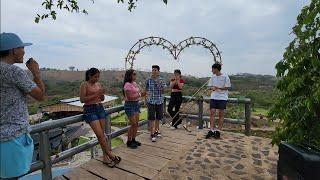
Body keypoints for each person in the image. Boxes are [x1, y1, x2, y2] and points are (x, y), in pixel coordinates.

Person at [0, 33, 45, 179]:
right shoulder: (13, 71)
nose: (24, 51)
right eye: (22, 48)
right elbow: (40, 96)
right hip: (11, 138)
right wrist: (36, 73)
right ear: (13, 50)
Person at [80, 68, 121, 167]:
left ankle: (105, 158)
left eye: (98, 77)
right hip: (90, 109)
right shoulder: (84, 84)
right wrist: (97, 94)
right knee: (99, 134)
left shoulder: (98, 84)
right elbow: (82, 99)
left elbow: (101, 99)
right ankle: (110, 154)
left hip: (100, 108)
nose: (97, 79)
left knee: (102, 135)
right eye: (95, 77)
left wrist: (101, 94)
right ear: (89, 75)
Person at [205, 63, 231, 139]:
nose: (211, 70)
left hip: (222, 97)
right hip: (213, 96)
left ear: (216, 69)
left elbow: (227, 87)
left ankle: (218, 131)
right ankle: (211, 130)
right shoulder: (213, 77)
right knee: (212, 113)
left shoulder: (225, 76)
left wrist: (218, 88)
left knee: (221, 114)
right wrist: (212, 88)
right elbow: (209, 86)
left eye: (212, 69)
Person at [123, 69, 145, 149]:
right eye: (134, 74)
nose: (135, 75)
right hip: (130, 105)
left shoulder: (134, 83)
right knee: (133, 124)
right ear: (129, 75)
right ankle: (129, 141)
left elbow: (136, 94)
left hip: (136, 104)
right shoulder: (127, 85)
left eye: (135, 74)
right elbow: (130, 97)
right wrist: (140, 94)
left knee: (136, 124)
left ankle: (133, 139)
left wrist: (140, 94)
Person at [145, 65, 167, 142]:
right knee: (151, 118)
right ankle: (151, 133)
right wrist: (145, 100)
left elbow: (164, 91)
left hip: (159, 101)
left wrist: (159, 84)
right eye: (153, 70)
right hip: (151, 101)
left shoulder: (162, 80)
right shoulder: (148, 80)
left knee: (158, 117)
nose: (153, 71)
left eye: (155, 70)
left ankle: (157, 131)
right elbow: (146, 91)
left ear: (158, 71)